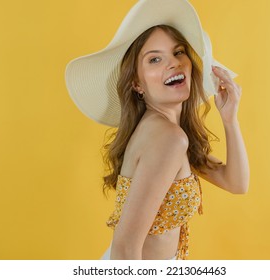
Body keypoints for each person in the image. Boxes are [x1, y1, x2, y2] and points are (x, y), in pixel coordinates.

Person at [65, 0, 249, 260]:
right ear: (137, 83)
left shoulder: (167, 132)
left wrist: (229, 119)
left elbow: (236, 183)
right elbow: (124, 248)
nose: (173, 63)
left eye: (179, 52)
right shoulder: (168, 138)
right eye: (154, 59)